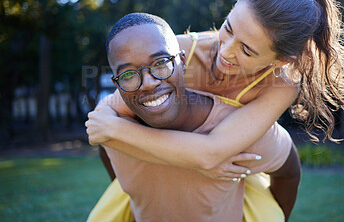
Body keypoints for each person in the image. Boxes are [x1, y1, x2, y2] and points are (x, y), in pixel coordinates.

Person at [87, 0, 344, 220]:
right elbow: (112, 109)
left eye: (246, 50)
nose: (225, 51)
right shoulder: (180, 53)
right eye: (228, 28)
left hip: (232, 181)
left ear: (281, 61)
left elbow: (212, 153)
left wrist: (114, 130)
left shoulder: (280, 86)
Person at [86, 12, 298, 221]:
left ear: (182, 62)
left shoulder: (244, 135)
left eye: (160, 63)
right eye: (128, 75)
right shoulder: (110, 127)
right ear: (117, 85)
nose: (149, 82)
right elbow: (106, 146)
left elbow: (289, 171)